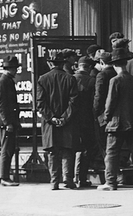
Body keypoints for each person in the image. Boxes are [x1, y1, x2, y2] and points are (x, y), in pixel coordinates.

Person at [97, 48, 133, 191]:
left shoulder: (115, 80)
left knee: (112, 153)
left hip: (116, 123)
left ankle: (110, 182)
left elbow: (110, 103)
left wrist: (106, 118)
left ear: (114, 65)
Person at [36, 51, 78, 190]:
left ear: (50, 63)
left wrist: (52, 117)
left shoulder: (42, 79)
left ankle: (54, 181)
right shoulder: (70, 78)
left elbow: (40, 104)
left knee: (53, 151)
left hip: (50, 123)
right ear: (62, 64)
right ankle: (68, 179)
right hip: (68, 121)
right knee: (67, 150)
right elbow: (73, 102)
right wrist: (64, 118)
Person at [0, 56, 22, 187]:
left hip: (9, 121)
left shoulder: (7, 80)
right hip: (6, 122)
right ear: (9, 69)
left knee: (8, 148)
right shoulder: (3, 82)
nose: (16, 71)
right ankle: (4, 177)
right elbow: (1, 104)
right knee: (6, 149)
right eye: (15, 68)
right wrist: (7, 122)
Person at [73, 56, 100, 188]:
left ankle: (70, 176)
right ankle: (81, 178)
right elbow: (95, 101)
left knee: (72, 148)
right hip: (87, 119)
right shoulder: (91, 81)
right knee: (86, 149)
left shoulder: (70, 78)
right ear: (89, 68)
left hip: (71, 119)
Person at [93, 51, 116, 154]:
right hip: (116, 113)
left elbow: (99, 95)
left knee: (103, 143)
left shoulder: (101, 75)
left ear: (102, 62)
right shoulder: (116, 73)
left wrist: (95, 112)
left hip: (103, 113)